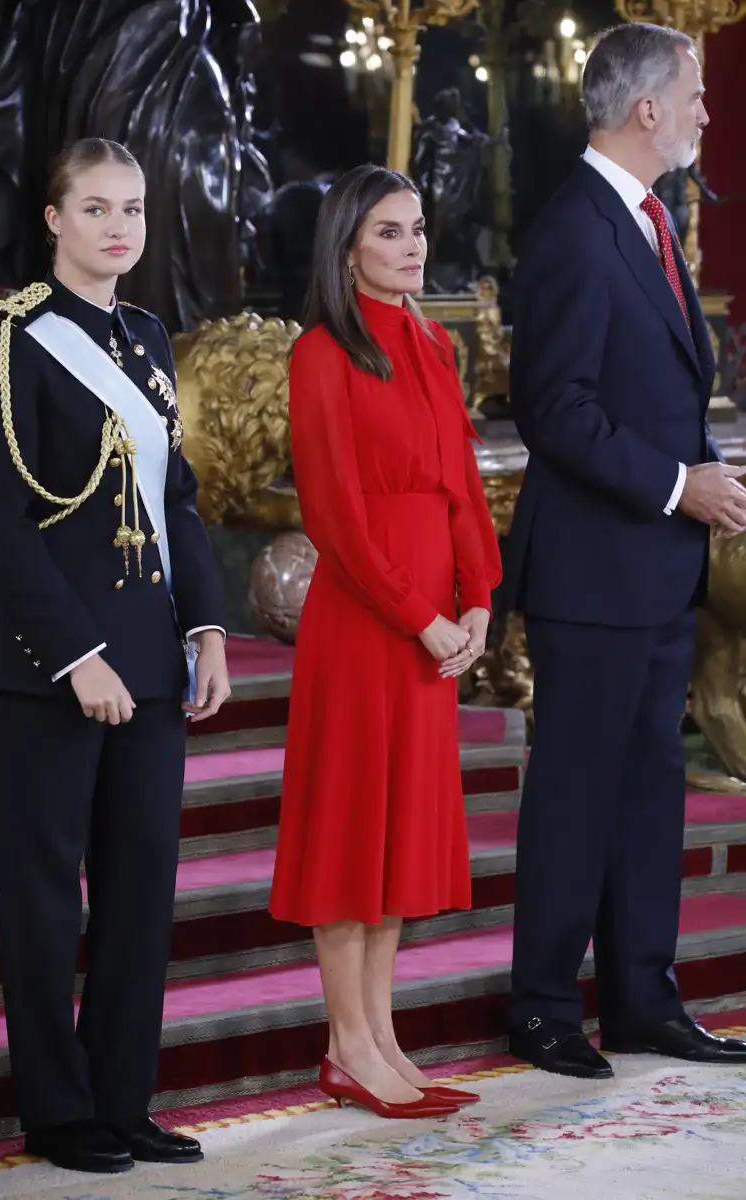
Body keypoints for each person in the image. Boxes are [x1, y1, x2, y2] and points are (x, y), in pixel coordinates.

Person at [0, 137, 231, 1172]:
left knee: (138, 888)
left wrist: (202, 626)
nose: (119, 227)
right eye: (97, 208)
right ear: (56, 222)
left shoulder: (150, 337)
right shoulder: (15, 342)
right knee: (39, 892)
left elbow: (178, 498)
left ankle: (121, 1099)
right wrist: (77, 654)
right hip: (44, 667)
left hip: (153, 658)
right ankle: (58, 1111)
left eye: (133, 210)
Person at [505, 23, 746, 1078]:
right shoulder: (571, 232)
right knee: (574, 793)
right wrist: (677, 485)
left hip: (652, 572)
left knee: (650, 793)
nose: (704, 111)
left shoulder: (648, 221)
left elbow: (661, 391)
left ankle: (642, 997)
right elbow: (552, 408)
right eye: (692, 95)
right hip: (591, 575)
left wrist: (702, 476)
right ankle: (544, 1004)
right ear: (644, 108)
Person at [269, 164, 502, 1118]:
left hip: (434, 628)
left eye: (416, 230)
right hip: (367, 624)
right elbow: (335, 518)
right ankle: (351, 1046)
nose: (411, 248)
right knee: (349, 833)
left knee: (399, 835)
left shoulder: (435, 345)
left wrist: (479, 600)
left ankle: (375, 1037)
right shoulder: (322, 353)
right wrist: (424, 615)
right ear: (347, 247)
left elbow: (464, 487)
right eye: (389, 233)